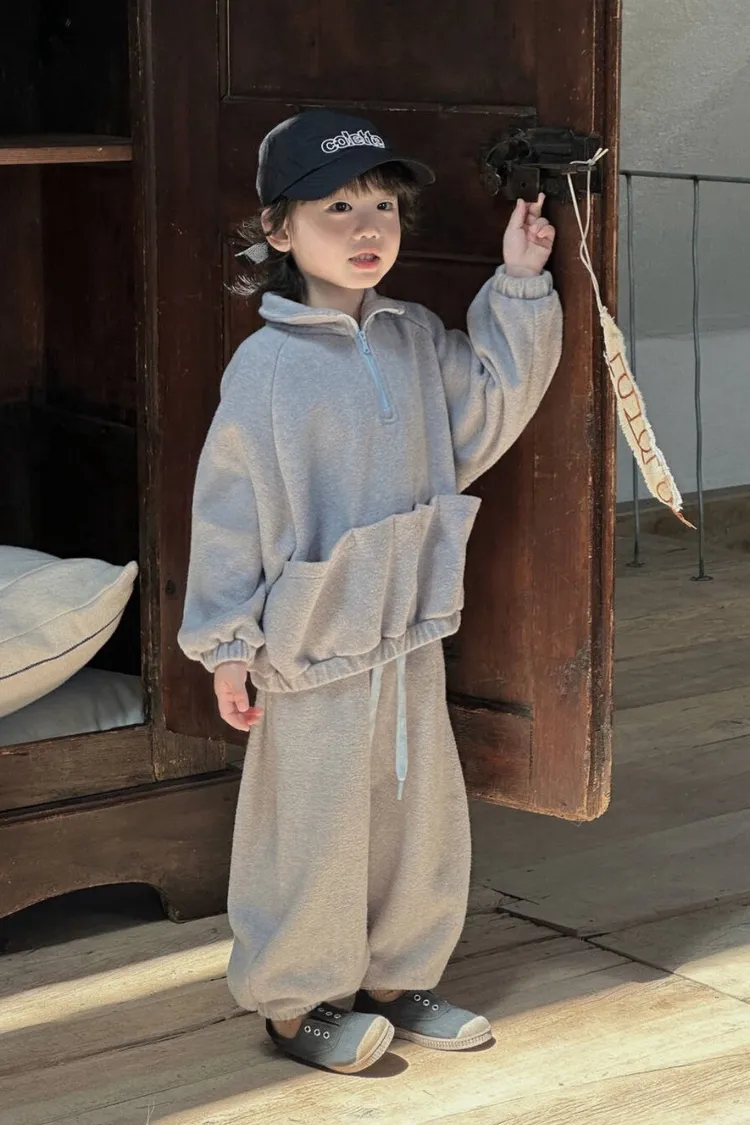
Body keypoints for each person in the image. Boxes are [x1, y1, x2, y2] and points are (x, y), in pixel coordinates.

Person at [178, 108, 562, 1075]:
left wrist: (520, 281)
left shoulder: (413, 337)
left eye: (382, 207)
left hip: (408, 628)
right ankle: (294, 1001)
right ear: (279, 230)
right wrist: (227, 643)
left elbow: (490, 407)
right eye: (337, 208)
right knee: (312, 825)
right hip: (310, 640)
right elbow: (227, 507)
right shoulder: (266, 368)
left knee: (416, 811)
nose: (366, 229)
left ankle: (399, 974)